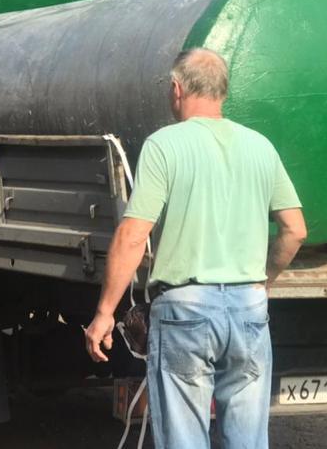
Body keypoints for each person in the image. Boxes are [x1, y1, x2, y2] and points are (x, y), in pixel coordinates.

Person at [84, 48, 307, 449]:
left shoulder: (164, 145)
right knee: (249, 439)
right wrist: (264, 281)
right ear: (223, 91)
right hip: (249, 309)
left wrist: (104, 314)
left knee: (184, 438)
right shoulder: (260, 146)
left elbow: (132, 235)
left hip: (185, 311)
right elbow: (295, 230)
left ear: (177, 89)